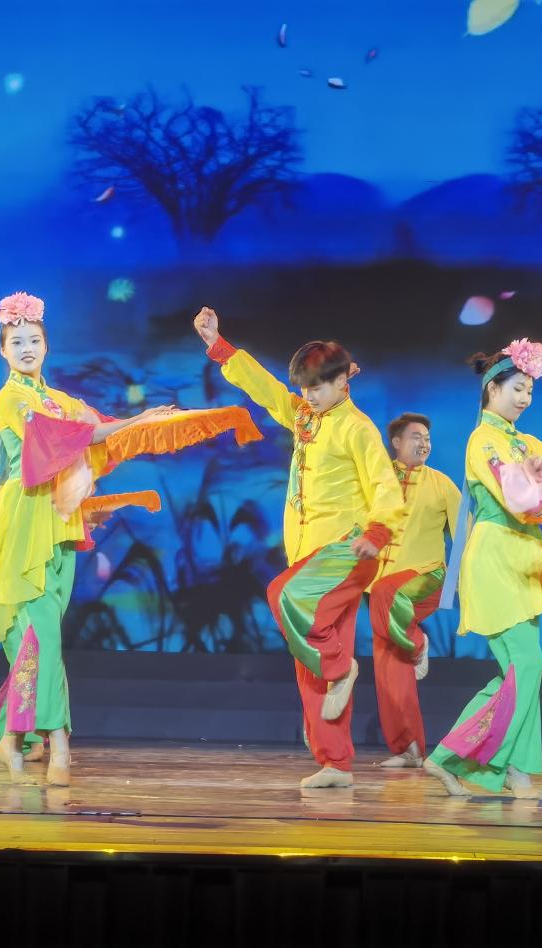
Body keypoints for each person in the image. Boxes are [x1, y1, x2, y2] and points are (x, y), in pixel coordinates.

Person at [0, 292, 175, 787]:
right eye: (17, 342)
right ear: (2, 350)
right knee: (42, 637)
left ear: (47, 345)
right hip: (23, 521)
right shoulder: (10, 398)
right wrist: (136, 421)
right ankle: (58, 742)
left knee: (39, 640)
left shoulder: (59, 400)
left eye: (34, 340)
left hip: (60, 521)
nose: (27, 348)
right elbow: (57, 439)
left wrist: (146, 422)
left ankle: (10, 737)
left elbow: (98, 427)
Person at [194, 306, 406, 789]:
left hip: (346, 550)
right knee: (308, 659)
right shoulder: (307, 417)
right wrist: (218, 346)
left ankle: (341, 667)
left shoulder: (357, 428)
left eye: (317, 387)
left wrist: (377, 533)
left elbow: (384, 485)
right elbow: (266, 390)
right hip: (308, 553)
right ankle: (335, 763)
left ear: (343, 383)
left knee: (283, 596)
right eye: (305, 388)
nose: (307, 396)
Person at [424, 341, 542, 798]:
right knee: (525, 665)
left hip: (523, 556)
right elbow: (521, 498)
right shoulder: (483, 440)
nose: (525, 398)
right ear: (493, 388)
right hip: (495, 555)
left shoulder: (522, 441)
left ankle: (492, 764)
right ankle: (485, 763)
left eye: (530, 391)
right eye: (517, 389)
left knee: (522, 669)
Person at [367, 412, 460, 768]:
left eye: (427, 438)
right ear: (396, 442)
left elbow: (463, 535)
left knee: (386, 593)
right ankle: (409, 748)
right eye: (416, 437)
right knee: (389, 667)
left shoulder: (441, 484)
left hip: (427, 577)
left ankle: (418, 643)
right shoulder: (378, 481)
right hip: (384, 589)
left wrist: (463, 581)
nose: (424, 443)